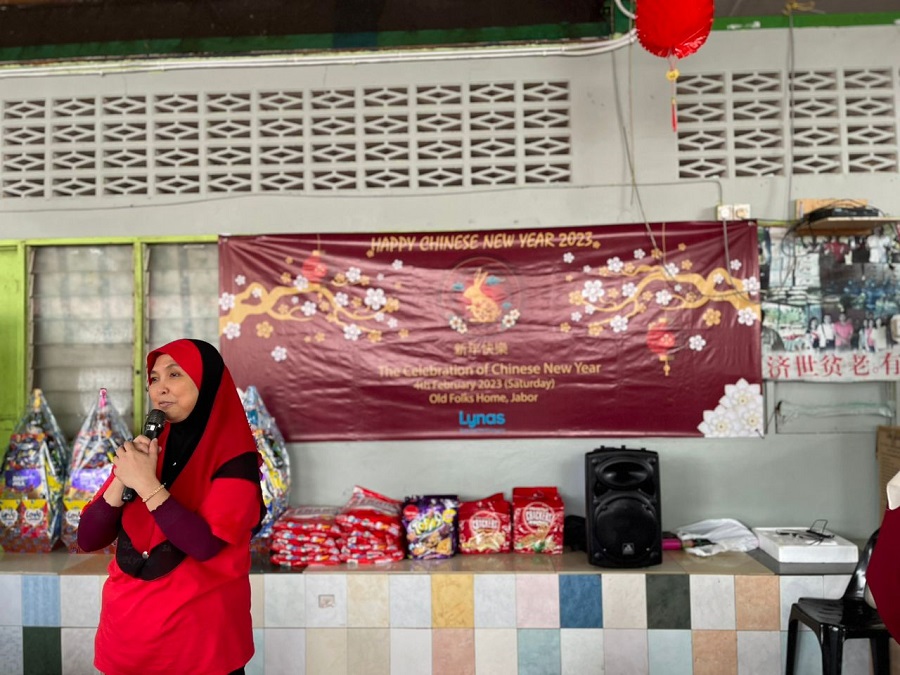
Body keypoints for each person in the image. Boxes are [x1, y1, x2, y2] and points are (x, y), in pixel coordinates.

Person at [78, 339, 264, 675]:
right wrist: (124, 477)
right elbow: (89, 537)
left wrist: (147, 485)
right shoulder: (146, 450)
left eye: (175, 374)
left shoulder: (236, 461)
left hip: (200, 650)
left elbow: (204, 544)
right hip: (126, 644)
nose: (161, 388)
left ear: (206, 384)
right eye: (153, 378)